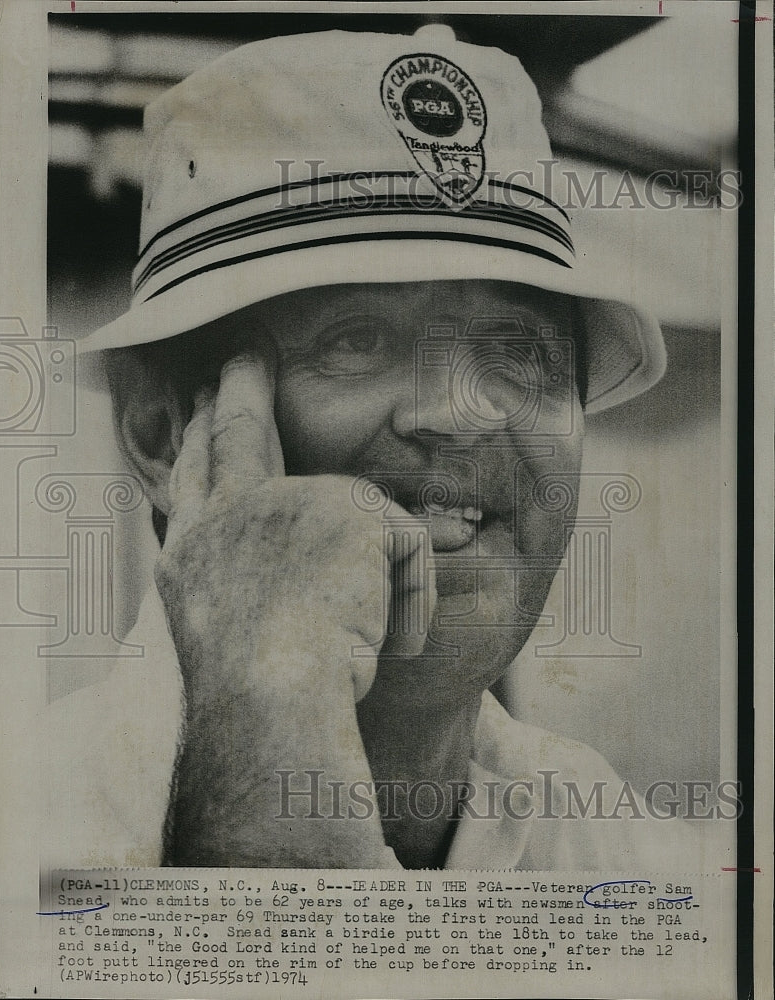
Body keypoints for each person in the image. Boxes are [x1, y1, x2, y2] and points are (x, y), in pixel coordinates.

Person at [45, 24, 692, 871]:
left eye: (515, 356)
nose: (459, 413)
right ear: (162, 433)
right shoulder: (25, 838)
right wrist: (265, 712)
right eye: (358, 341)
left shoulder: (641, 861)